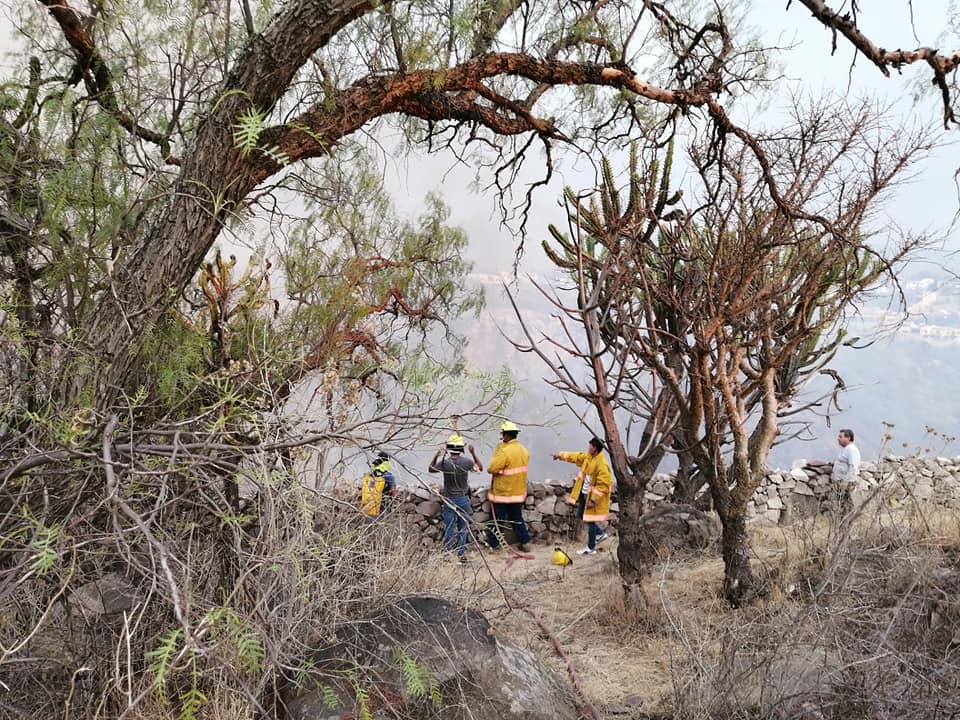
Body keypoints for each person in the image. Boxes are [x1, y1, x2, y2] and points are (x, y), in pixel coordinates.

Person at [553, 436, 613, 555]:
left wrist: (594, 500)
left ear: (595, 448)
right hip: (584, 496)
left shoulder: (601, 464)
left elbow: (603, 485)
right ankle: (600, 534)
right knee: (581, 515)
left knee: (589, 520)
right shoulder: (588, 458)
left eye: (590, 445)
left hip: (591, 498)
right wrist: (559, 456)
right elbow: (575, 456)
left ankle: (591, 548)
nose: (588, 447)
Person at [429, 434, 483, 562]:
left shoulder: (445, 463)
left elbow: (431, 469)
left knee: (450, 527)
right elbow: (480, 468)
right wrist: (473, 453)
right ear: (461, 449)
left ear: (449, 448)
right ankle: (461, 554)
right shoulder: (467, 462)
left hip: (449, 499)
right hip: (463, 499)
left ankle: (447, 554)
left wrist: (437, 455)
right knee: (463, 527)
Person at [485, 420, 532, 552]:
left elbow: (492, 468)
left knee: (497, 521)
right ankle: (525, 542)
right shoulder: (524, 450)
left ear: (506, 435)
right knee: (517, 519)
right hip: (518, 493)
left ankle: (495, 545)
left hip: (503, 494)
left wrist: (499, 449)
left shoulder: (504, 451)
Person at [831, 428, 861, 514]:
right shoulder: (847, 449)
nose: (838, 439)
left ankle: (847, 522)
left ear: (848, 438)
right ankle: (842, 522)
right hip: (842, 481)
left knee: (846, 503)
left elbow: (853, 466)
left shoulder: (851, 450)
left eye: (840, 437)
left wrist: (846, 481)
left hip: (846, 482)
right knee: (843, 503)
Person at [359, 451, 397, 517]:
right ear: (386, 462)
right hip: (383, 506)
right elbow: (393, 492)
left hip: (368, 506)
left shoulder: (369, 475)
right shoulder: (388, 476)